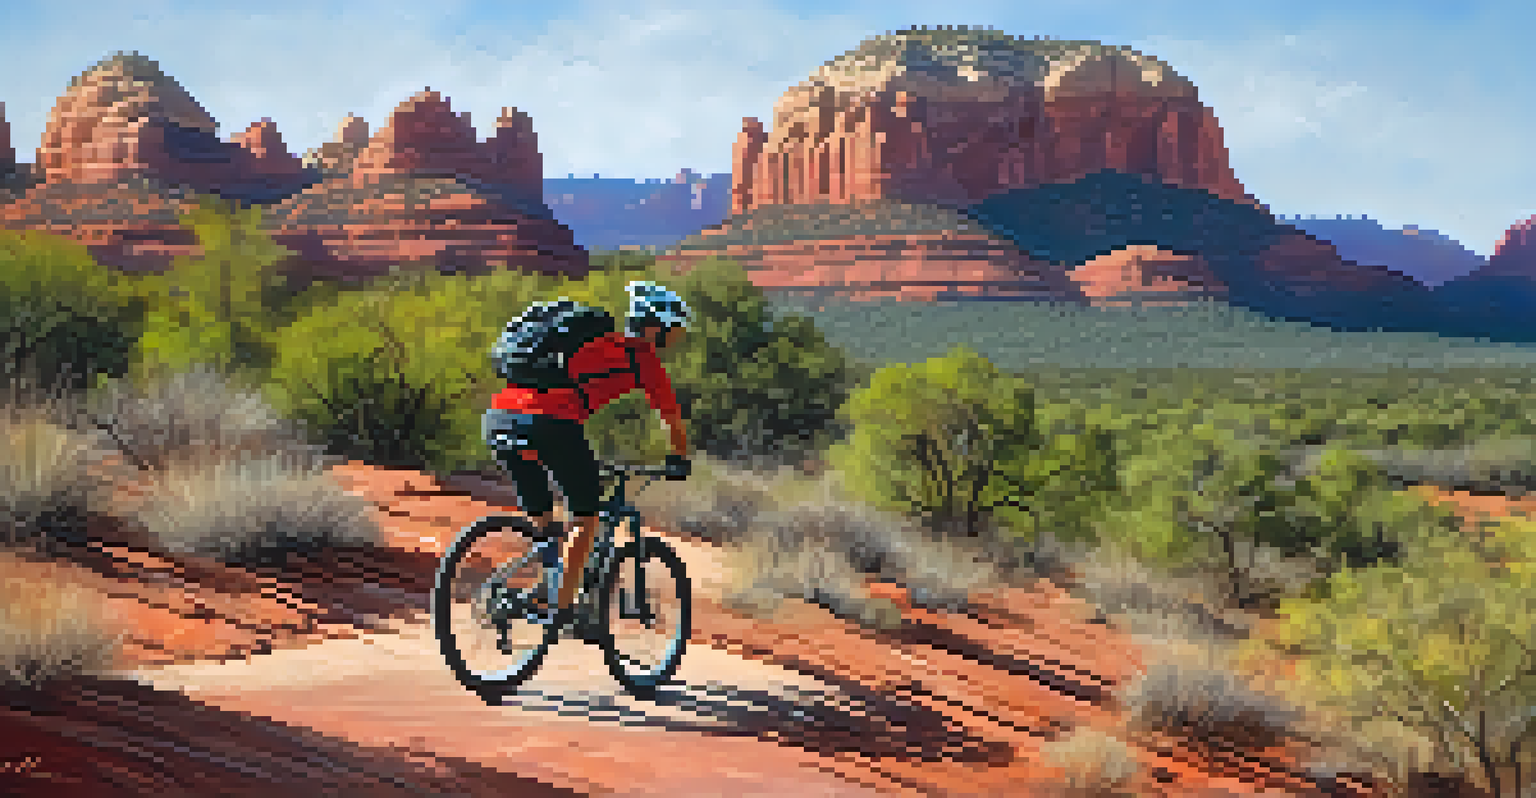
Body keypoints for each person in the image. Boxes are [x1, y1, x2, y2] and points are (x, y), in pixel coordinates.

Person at [481, 281, 692, 631]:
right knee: (587, 518)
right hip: (551, 422)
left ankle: (533, 592)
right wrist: (679, 458)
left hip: (500, 416)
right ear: (657, 327)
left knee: (547, 523)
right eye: (675, 331)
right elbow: (670, 417)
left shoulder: (589, 342)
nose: (676, 339)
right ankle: (562, 611)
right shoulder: (643, 358)